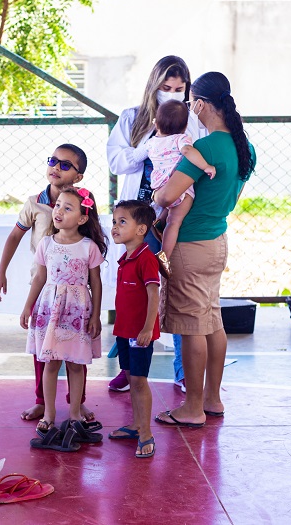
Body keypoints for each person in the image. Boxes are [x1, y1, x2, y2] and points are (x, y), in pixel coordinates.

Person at [152, 71, 256, 428]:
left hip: (189, 245)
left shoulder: (206, 148)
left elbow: (167, 195)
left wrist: (156, 192)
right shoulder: (245, 147)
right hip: (216, 241)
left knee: (191, 327)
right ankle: (212, 398)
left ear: (199, 105)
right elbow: (232, 198)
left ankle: (192, 408)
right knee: (212, 321)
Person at [106, 56, 205, 393]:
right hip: (138, 222)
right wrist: (148, 147)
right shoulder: (132, 118)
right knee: (133, 293)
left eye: (179, 89)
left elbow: (198, 158)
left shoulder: (192, 122)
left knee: (175, 288)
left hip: (176, 218)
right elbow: (116, 161)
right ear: (154, 85)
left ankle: (183, 371)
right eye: (166, 87)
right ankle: (129, 368)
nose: (172, 94)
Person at [0, 144, 96, 424]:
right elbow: (14, 237)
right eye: (53, 161)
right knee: (44, 349)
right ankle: (42, 402)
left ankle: (77, 403)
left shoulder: (82, 202)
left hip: (74, 293)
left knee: (77, 350)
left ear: (78, 176)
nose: (56, 167)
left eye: (65, 165)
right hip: (45, 289)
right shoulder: (34, 203)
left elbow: (91, 243)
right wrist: (1, 271)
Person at [21, 188, 107, 442]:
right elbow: (40, 278)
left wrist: (96, 315)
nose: (58, 211)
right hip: (51, 310)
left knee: (75, 364)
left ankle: (75, 414)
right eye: (58, 205)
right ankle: (49, 414)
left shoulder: (89, 247)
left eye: (67, 208)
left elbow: (96, 283)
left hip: (77, 312)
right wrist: (28, 306)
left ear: (82, 218)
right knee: (50, 363)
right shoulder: (46, 244)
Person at [107, 200, 160, 458]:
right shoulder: (126, 258)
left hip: (140, 334)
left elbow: (154, 294)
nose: (115, 227)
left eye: (122, 222)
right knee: (130, 377)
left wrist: (148, 329)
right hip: (125, 331)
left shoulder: (146, 259)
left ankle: (146, 433)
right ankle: (136, 425)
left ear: (141, 229)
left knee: (139, 381)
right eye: (114, 222)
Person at [147, 100, 216, 277]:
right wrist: (206, 166)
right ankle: (164, 256)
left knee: (169, 212)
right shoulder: (181, 139)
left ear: (156, 123)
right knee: (175, 222)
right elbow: (187, 151)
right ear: (185, 126)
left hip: (159, 184)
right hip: (178, 188)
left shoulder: (152, 142)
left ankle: (159, 221)